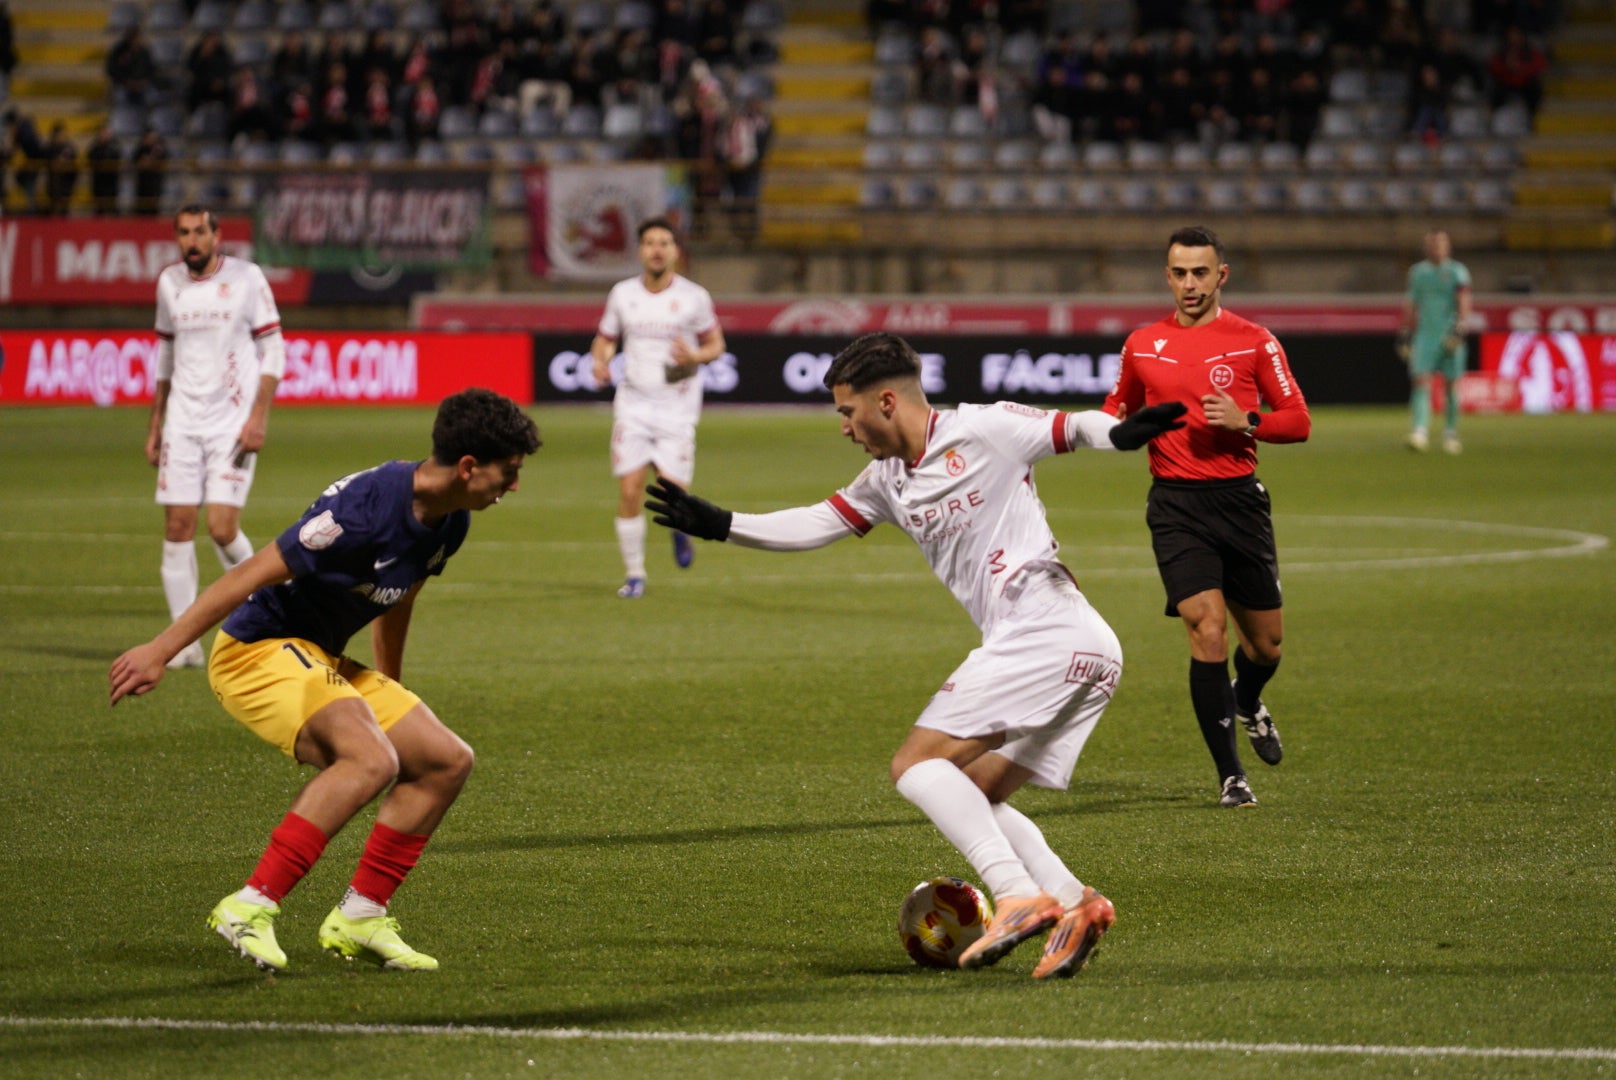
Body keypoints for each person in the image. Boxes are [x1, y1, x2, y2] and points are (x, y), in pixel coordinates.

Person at [644, 331, 1188, 977]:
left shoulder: (985, 428)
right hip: (1078, 646)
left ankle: (1014, 895)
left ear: (885, 402)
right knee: (973, 790)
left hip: (1045, 627)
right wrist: (724, 523)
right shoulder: (886, 479)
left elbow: (1074, 427)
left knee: (915, 764)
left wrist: (1119, 436)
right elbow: (818, 521)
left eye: (847, 413)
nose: (844, 428)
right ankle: (1076, 902)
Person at [109, 389, 542, 972]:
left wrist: (393, 687)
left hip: (317, 657)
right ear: (468, 467)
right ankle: (250, 906)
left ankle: (360, 916)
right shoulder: (362, 508)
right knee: (372, 759)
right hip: (255, 651)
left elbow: (401, 594)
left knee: (445, 759)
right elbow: (247, 575)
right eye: (508, 472)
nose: (512, 486)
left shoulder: (449, 520)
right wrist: (160, 650)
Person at [1103, 225, 1311, 809]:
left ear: (1222, 275)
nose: (1189, 284)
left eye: (1201, 272)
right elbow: (1114, 409)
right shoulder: (1142, 343)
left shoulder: (1254, 341)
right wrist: (1120, 430)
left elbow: (1297, 419)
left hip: (1240, 502)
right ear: (1166, 276)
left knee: (1266, 646)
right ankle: (1231, 777)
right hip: (1175, 506)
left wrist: (1247, 420)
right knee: (1207, 629)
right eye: (1179, 273)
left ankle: (1247, 699)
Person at [148, 205, 287, 669]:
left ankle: (272, 608)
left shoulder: (246, 279)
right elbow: (165, 356)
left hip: (231, 423)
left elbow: (274, 349)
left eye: (199, 232)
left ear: (216, 235)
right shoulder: (169, 283)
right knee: (177, 527)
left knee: (222, 528)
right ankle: (182, 643)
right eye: (184, 233)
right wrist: (156, 424)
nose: (192, 240)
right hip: (183, 424)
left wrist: (258, 416)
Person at [589, 216, 726, 599]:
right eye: (650, 242)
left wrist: (696, 355)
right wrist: (600, 360)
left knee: (673, 494)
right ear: (640, 250)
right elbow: (604, 339)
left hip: (676, 408)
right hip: (633, 406)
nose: (657, 249)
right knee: (630, 489)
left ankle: (679, 530)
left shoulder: (694, 297)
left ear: (675, 251)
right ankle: (635, 575)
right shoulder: (622, 294)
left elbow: (717, 345)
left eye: (664, 242)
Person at [1398, 228, 1472, 454]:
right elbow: (1411, 304)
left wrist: (1459, 329)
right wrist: (1406, 333)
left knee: (1450, 385)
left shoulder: (1457, 272)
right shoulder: (1418, 272)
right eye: (1432, 244)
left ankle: (1450, 433)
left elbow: (1463, 300)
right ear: (1426, 247)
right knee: (1421, 381)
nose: (1436, 248)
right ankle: (1420, 431)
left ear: (1447, 247)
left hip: (1449, 334)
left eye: (1439, 243)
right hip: (1425, 336)